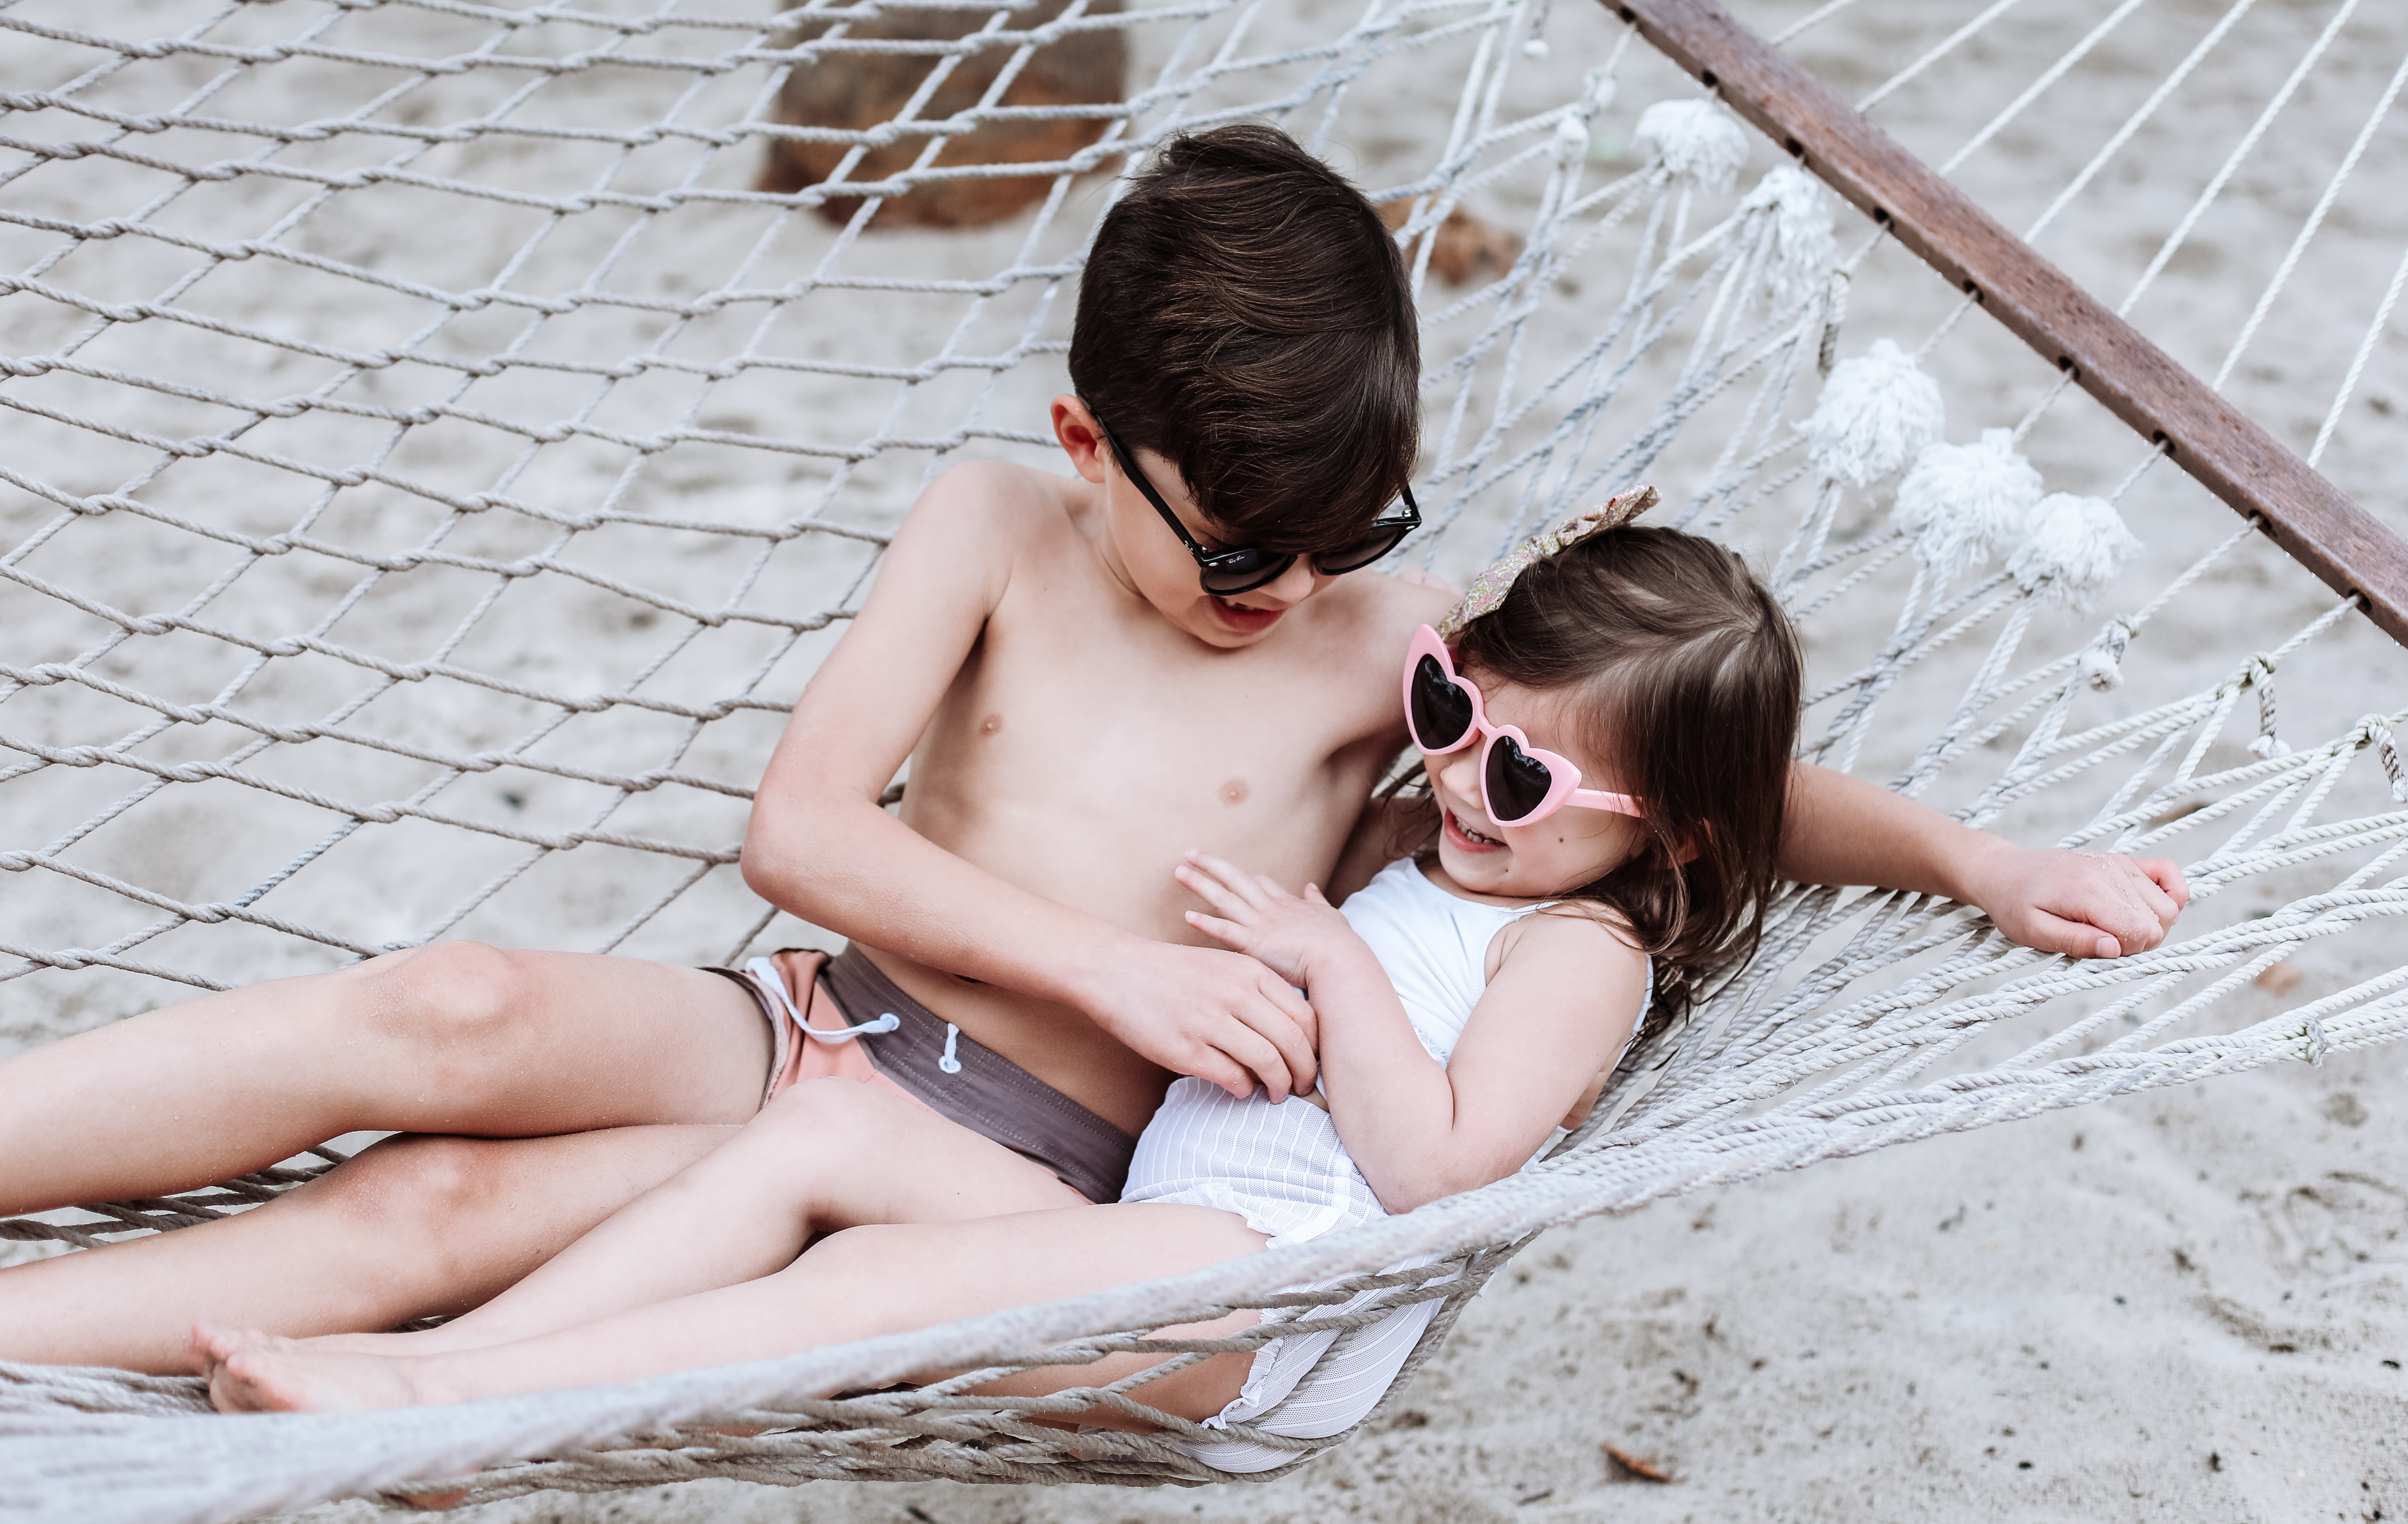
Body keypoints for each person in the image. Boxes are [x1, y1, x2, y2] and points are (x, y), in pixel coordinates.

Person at [0, 129, 2186, 1372]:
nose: (1280, 593)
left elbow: (1674, 764)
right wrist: (1112, 971)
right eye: (1228, 543)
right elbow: (797, 830)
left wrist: (1964, 846)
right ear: (1081, 439)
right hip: (797, 1022)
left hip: (974, 1166)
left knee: (414, 1226)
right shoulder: (993, 531)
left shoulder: (1396, 654)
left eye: (1337, 541)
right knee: (455, 1005)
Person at [192, 512, 1800, 1477]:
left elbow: (1443, 1172)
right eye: (1447, 704)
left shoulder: (1575, 953)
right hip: (1171, 1244)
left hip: (1262, 1306)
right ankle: (451, 1377)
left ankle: (457, 1405)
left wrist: (1324, 963)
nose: (1455, 770)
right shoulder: (1442, 854)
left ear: (1670, 832)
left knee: (868, 1278)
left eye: (1516, 771)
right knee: (817, 1135)